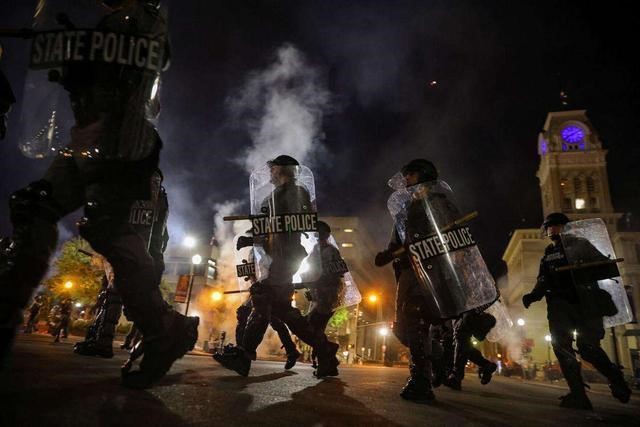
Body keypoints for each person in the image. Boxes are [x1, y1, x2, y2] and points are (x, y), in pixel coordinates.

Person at [0, 1, 197, 388]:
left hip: (117, 140)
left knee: (106, 229)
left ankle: (164, 328)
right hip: (87, 138)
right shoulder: (118, 19)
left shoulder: (139, 16)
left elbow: (135, 74)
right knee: (36, 206)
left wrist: (85, 55)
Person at [214, 155, 339, 377]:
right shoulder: (277, 194)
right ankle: (325, 350)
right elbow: (269, 228)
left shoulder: (296, 192)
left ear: (283, 170)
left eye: (273, 169)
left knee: (262, 298)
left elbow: (292, 225)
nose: (270, 173)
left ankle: (244, 356)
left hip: (286, 257)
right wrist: (252, 238)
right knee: (284, 311)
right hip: (277, 257)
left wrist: (260, 235)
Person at [522, 212, 632, 409]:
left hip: (585, 303)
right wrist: (533, 295)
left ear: (565, 227)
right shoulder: (548, 253)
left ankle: (618, 381)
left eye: (555, 226)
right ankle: (578, 394)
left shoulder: (580, 245)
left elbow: (603, 266)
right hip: (559, 307)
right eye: (549, 227)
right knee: (561, 347)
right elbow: (544, 279)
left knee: (588, 348)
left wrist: (583, 268)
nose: (551, 230)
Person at [375, 158, 443, 402]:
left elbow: (450, 237)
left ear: (424, 176)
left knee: (415, 315)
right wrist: (388, 253)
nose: (406, 180)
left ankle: (421, 380)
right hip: (406, 272)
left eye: (411, 175)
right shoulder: (405, 208)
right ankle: (437, 360)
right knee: (403, 329)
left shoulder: (438, 204)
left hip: (429, 270)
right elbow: (398, 240)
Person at [304, 220, 346, 368]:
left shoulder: (331, 251)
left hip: (327, 297)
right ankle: (328, 362)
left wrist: (324, 291)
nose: (317, 235)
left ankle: (327, 355)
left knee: (313, 327)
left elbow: (338, 274)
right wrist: (310, 287)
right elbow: (310, 272)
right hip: (318, 296)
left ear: (327, 234)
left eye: (320, 232)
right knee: (315, 329)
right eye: (316, 232)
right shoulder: (316, 250)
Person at [444, 309, 497, 390]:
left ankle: (456, 376)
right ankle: (486, 365)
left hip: (466, 315)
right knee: (461, 344)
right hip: (465, 315)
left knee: (460, 338)